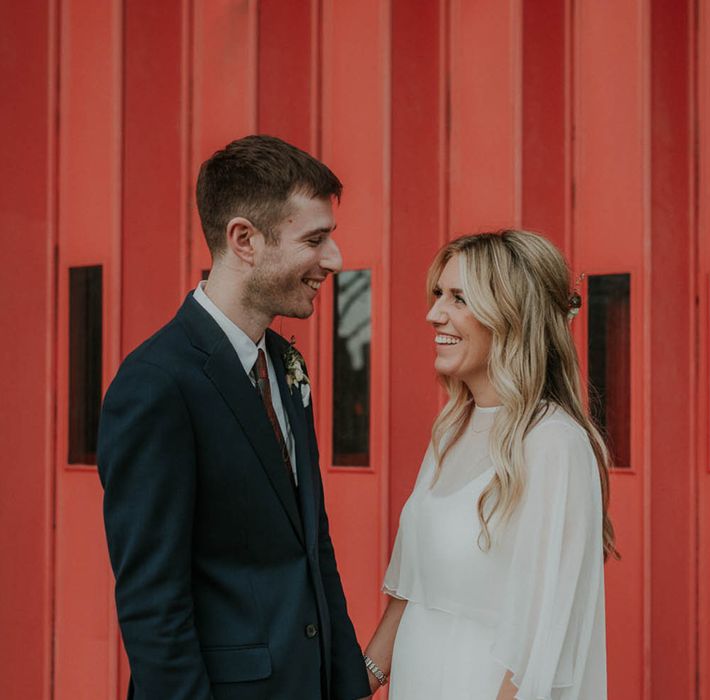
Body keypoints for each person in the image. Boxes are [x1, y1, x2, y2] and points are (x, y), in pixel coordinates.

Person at [97, 135, 371, 700]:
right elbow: (153, 601)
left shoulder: (285, 362)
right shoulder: (156, 384)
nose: (335, 261)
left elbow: (311, 546)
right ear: (244, 239)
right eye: (315, 240)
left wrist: (346, 686)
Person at [362, 231, 617, 700]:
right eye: (439, 294)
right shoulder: (450, 430)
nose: (434, 313)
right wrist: (365, 677)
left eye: (459, 298)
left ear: (512, 317)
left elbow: (545, 642)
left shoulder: (554, 444)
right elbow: (414, 586)